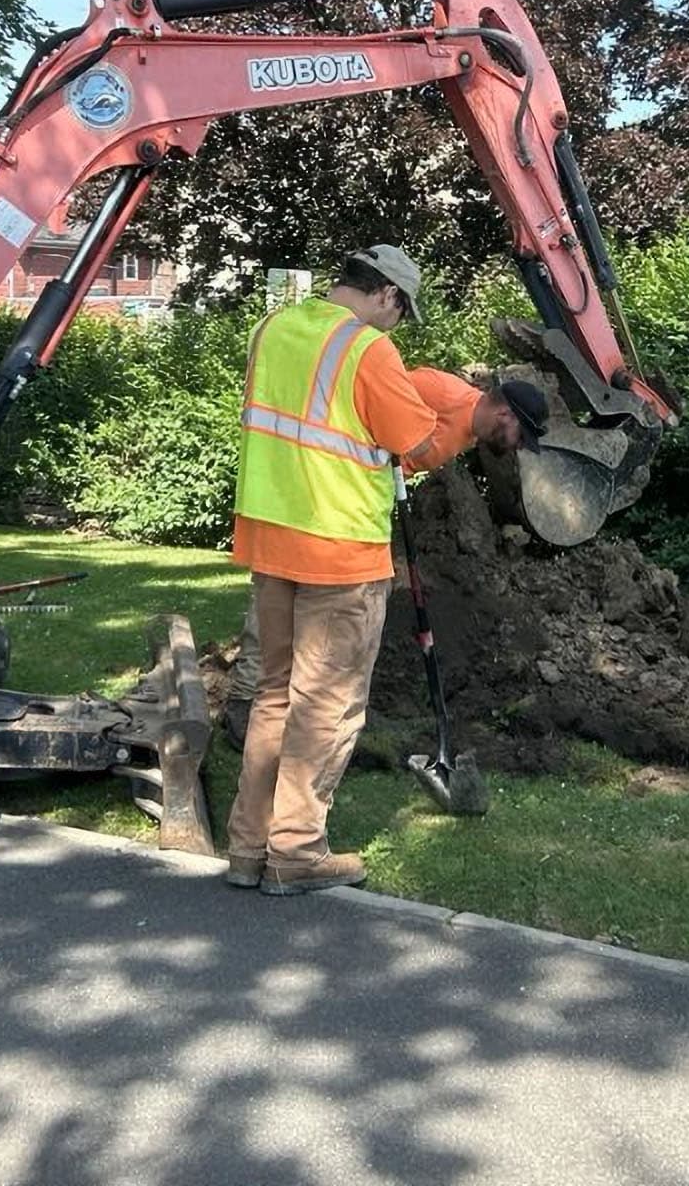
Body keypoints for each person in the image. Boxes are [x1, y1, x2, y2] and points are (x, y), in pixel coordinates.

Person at [225, 246, 533, 896]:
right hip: (338, 549)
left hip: (270, 536)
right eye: (402, 309)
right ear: (387, 294)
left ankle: (249, 847)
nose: (399, 323)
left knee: (275, 696)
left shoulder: (273, 329)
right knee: (326, 705)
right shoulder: (367, 350)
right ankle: (298, 853)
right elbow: (411, 444)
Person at [220, 369, 549, 745]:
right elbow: (364, 401)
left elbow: (401, 456)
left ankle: (303, 712)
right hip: (323, 498)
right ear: (505, 414)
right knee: (280, 594)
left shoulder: (468, 430)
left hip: (356, 514)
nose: (518, 446)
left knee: (331, 612)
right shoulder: (438, 391)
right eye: (521, 437)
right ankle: (244, 705)